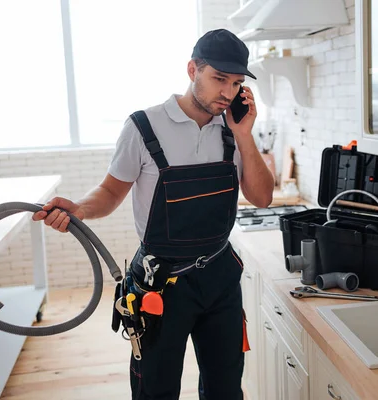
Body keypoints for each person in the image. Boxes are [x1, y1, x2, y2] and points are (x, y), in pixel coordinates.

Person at [32, 28, 274, 400]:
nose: (228, 92)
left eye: (237, 82)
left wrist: (244, 135)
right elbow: (112, 191)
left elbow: (261, 197)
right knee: (155, 390)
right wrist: (79, 208)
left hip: (220, 278)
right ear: (193, 69)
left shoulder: (233, 129)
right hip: (160, 286)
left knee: (226, 388)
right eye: (219, 79)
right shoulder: (143, 127)